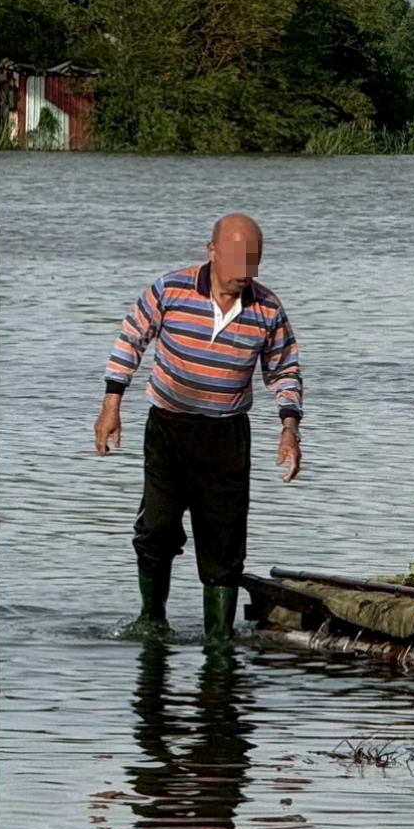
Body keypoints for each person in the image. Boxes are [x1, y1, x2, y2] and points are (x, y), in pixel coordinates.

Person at [94, 213, 303, 643]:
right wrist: (112, 404)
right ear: (212, 252)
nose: (245, 272)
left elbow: (284, 372)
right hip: (168, 427)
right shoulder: (171, 289)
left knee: (224, 546)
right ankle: (152, 618)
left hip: (226, 435)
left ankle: (219, 640)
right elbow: (130, 340)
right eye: (237, 259)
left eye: (254, 261)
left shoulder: (267, 308)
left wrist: (289, 429)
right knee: (156, 529)